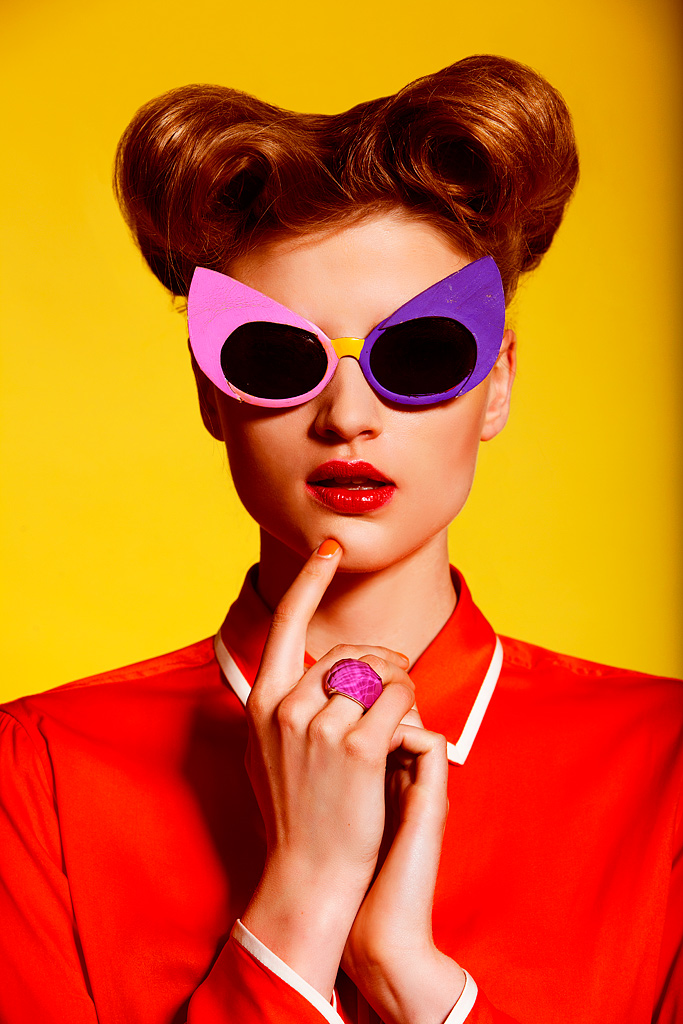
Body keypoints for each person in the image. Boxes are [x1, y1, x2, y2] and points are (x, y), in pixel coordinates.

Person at [0, 55, 680, 1024]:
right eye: (276, 358)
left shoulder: (663, 767)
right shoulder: (35, 773)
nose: (347, 417)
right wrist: (304, 895)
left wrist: (418, 989)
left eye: (421, 353)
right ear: (210, 394)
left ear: (496, 385)